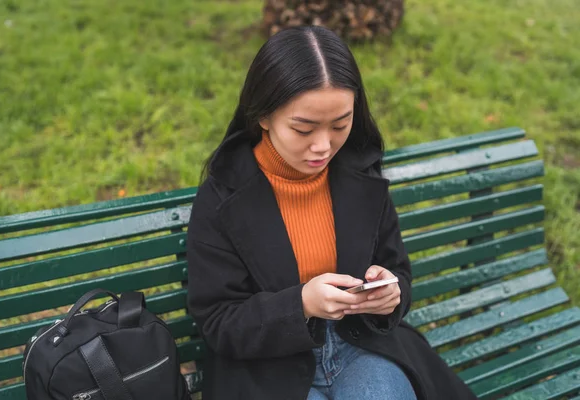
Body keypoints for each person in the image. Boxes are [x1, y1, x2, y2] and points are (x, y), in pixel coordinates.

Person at [187, 25, 478, 400]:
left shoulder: (360, 174)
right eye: (303, 128)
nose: (323, 146)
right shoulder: (222, 197)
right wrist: (301, 304)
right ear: (262, 116)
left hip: (363, 346)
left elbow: (398, 272)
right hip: (267, 368)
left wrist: (390, 297)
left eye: (340, 124)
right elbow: (218, 321)